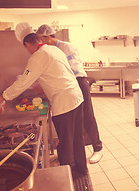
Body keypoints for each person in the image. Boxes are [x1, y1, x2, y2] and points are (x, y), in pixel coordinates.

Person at [0, 22, 87, 177]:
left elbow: (23, 82)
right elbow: (59, 74)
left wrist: (2, 97)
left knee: (65, 143)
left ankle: (67, 175)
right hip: (76, 97)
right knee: (76, 138)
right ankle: (82, 169)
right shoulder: (53, 49)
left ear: (27, 44)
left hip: (64, 102)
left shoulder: (38, 57)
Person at [36, 24, 103, 164]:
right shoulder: (51, 50)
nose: (40, 43)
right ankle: (74, 154)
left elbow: (72, 69)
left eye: (41, 39)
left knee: (88, 116)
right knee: (75, 121)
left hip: (79, 82)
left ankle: (98, 148)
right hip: (68, 86)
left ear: (48, 37)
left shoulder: (67, 47)